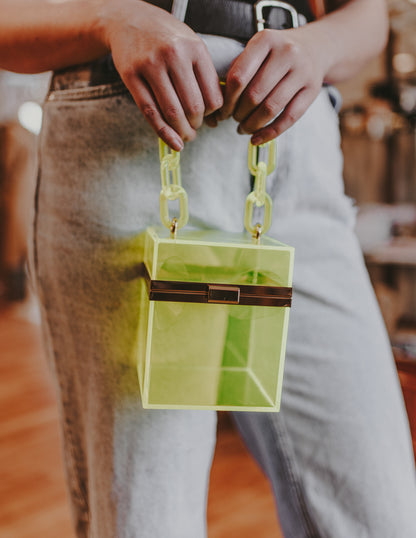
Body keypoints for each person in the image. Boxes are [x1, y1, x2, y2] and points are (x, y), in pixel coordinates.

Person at [1, 0, 416, 536]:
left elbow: (367, 16)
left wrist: (318, 45)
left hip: (299, 153)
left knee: (383, 517)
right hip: (128, 142)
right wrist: (110, 19)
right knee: (151, 519)